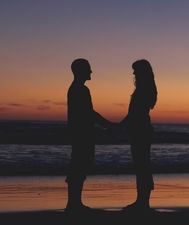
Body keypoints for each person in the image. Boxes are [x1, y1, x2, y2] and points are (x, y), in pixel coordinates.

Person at [65, 58, 113, 212]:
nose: (91, 71)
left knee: (79, 165)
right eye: (88, 69)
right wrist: (110, 125)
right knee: (79, 166)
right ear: (80, 71)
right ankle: (74, 204)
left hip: (79, 133)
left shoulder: (75, 89)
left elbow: (88, 115)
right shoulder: (81, 90)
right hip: (82, 134)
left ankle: (75, 203)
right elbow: (89, 114)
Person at [120, 59, 158, 212]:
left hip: (141, 130)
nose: (133, 73)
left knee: (141, 165)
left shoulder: (142, 90)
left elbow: (135, 113)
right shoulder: (146, 88)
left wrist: (118, 125)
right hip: (142, 129)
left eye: (136, 70)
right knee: (143, 165)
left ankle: (142, 202)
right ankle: (142, 201)